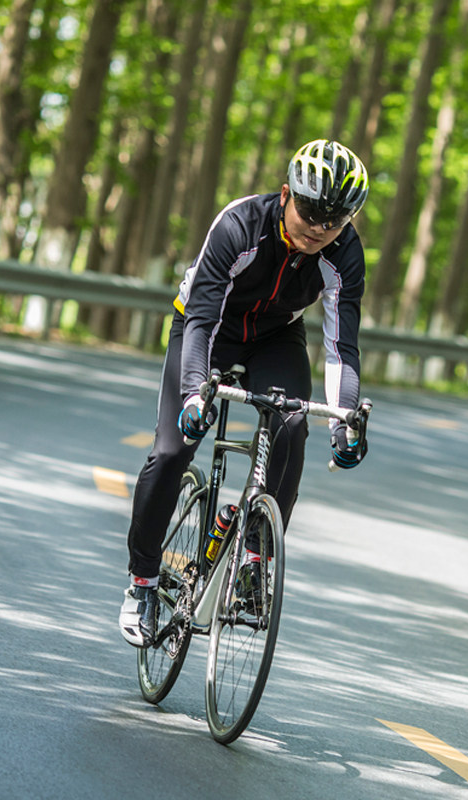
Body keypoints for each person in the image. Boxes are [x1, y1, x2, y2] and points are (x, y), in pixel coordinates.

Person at [119, 139, 371, 647]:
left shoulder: (344, 255)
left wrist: (344, 420)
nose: (319, 230)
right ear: (285, 195)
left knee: (291, 428)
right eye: (311, 214)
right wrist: (194, 394)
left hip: (276, 336)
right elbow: (203, 317)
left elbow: (341, 346)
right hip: (206, 328)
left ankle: (256, 549)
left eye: (334, 222)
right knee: (172, 450)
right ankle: (142, 581)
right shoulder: (239, 226)